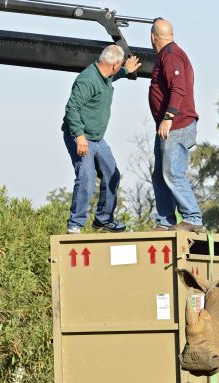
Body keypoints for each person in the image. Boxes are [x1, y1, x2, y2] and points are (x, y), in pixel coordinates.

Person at [62, 45, 141, 234]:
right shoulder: (87, 81)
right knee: (86, 178)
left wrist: (126, 70)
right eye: (119, 66)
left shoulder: (106, 73)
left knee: (112, 174)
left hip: (98, 138)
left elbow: (114, 75)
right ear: (114, 65)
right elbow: (71, 109)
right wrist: (80, 136)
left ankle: (104, 219)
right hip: (80, 136)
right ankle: (75, 224)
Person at [148, 18, 204, 232]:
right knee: (160, 174)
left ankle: (192, 218)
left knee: (172, 172)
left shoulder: (171, 55)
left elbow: (178, 88)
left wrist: (168, 116)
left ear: (153, 37)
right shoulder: (169, 54)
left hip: (176, 125)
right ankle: (165, 222)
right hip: (167, 127)